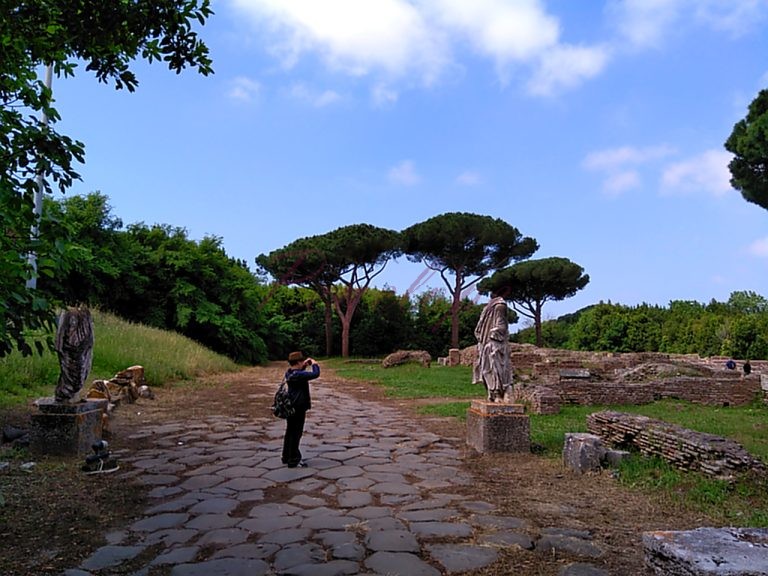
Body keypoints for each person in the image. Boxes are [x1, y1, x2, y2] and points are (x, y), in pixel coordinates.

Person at [282, 351, 320, 468]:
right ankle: (294, 459)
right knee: (296, 433)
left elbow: (300, 371)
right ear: (298, 362)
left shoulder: (290, 373)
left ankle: (286, 456)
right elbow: (315, 374)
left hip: (290, 406)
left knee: (290, 432)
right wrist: (315, 364)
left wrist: (304, 365)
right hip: (299, 406)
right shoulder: (299, 375)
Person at [472, 293, 513, 402]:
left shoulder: (500, 306)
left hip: (496, 344)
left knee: (497, 369)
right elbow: (478, 329)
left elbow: (501, 325)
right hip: (486, 344)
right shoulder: (487, 308)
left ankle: (500, 393)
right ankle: (493, 394)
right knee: (487, 369)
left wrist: (493, 333)